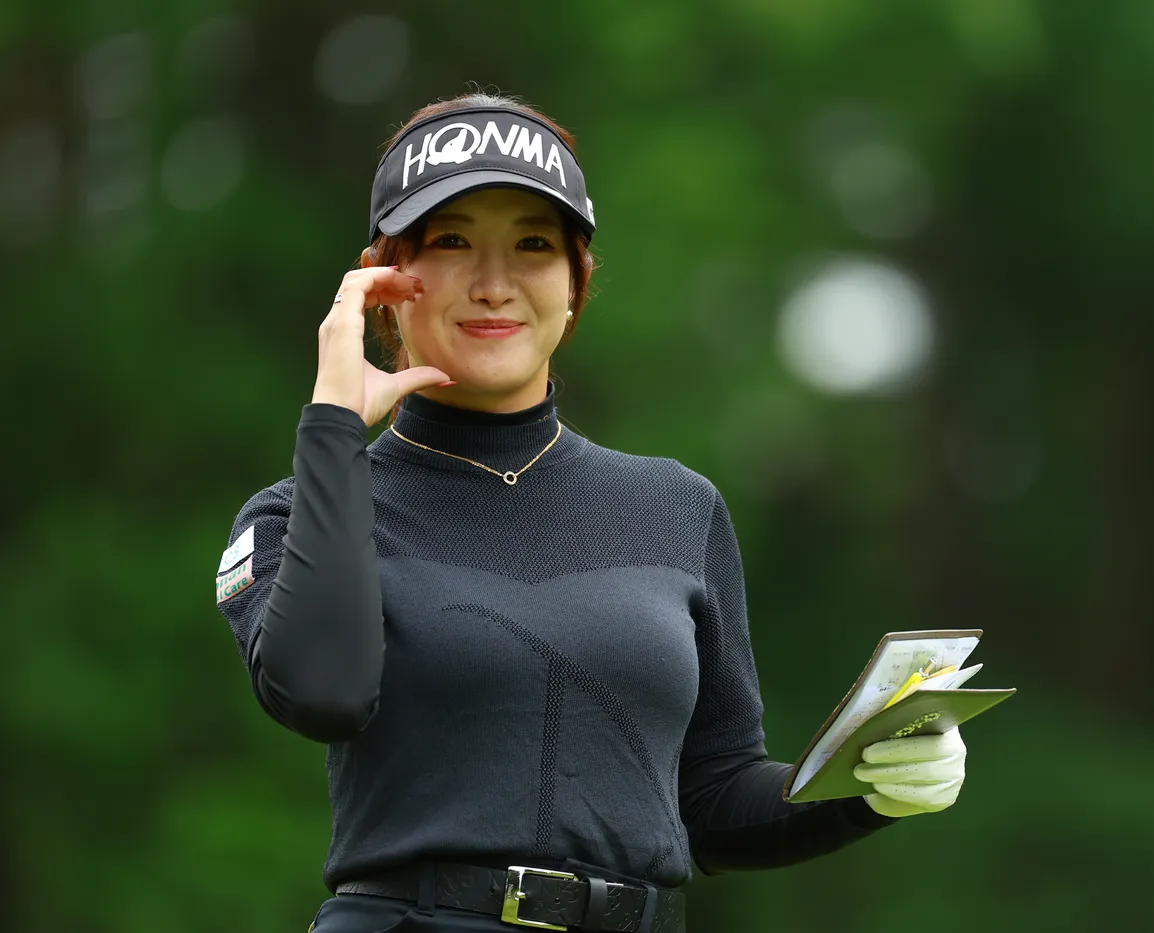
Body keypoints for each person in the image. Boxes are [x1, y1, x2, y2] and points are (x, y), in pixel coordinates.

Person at [213, 92, 968, 933]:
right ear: (381, 281)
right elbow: (322, 692)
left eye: (534, 245)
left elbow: (713, 801)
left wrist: (863, 787)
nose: (493, 284)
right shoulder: (297, 515)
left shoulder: (677, 506)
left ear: (575, 283)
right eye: (451, 241)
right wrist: (333, 429)